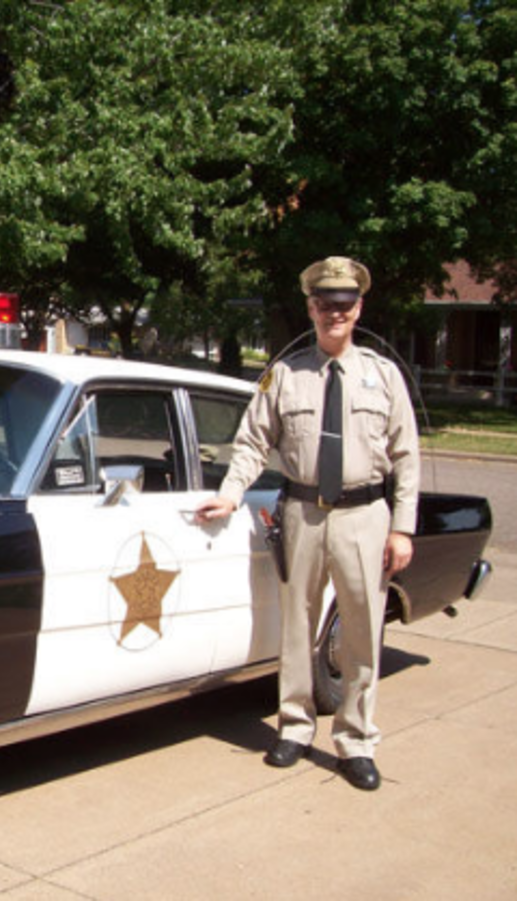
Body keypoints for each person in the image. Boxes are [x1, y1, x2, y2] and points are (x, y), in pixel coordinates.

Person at [195, 256, 420, 791]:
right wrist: (231, 494)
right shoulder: (285, 375)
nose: (333, 313)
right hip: (303, 514)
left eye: (343, 304)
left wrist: (403, 527)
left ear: (358, 308)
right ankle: (294, 727)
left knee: (361, 632)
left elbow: (406, 456)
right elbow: (252, 442)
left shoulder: (383, 376)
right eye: (324, 304)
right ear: (310, 308)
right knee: (296, 627)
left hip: (366, 516)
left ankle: (356, 740)